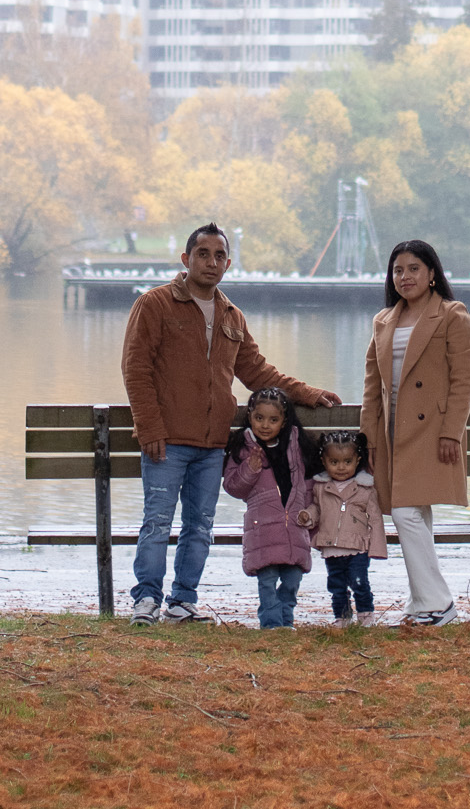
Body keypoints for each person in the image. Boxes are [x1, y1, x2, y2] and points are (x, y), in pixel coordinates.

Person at [121, 223, 341, 624]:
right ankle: (147, 599)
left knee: (200, 526)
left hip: (212, 445)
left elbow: (257, 372)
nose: (211, 262)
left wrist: (307, 393)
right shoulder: (155, 304)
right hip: (166, 441)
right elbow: (136, 369)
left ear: (227, 263)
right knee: (157, 522)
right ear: (186, 259)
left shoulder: (231, 315)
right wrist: (149, 427)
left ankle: (182, 601)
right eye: (203, 254)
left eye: (219, 256)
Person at [361, 238, 470, 627]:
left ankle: (437, 603)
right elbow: (372, 387)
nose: (405, 276)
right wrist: (368, 438)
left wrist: (451, 433)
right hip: (392, 432)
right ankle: (421, 602)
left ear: (431, 274)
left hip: (432, 432)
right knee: (414, 513)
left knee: (406, 512)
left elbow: (463, 381)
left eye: (414, 268)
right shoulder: (383, 320)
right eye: (398, 270)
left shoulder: (452, 315)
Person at [222, 387, 314, 628]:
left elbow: (308, 484)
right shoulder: (243, 448)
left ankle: (285, 619)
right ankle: (272, 624)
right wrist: (250, 469)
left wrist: (310, 512)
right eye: (259, 418)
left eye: (273, 420)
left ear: (284, 421)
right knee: (267, 580)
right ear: (250, 416)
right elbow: (233, 487)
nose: (265, 425)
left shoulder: (296, 445)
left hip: (294, 526)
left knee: (293, 579)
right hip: (263, 527)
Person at [300, 428, 386, 628]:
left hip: (357, 547)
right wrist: (308, 516)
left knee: (359, 582)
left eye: (347, 462)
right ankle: (342, 617)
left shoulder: (364, 488)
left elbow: (375, 519)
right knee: (336, 585)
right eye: (334, 462)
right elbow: (317, 509)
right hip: (331, 545)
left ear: (357, 461)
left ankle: (366, 615)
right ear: (324, 462)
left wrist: (377, 548)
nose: (341, 467)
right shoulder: (321, 487)